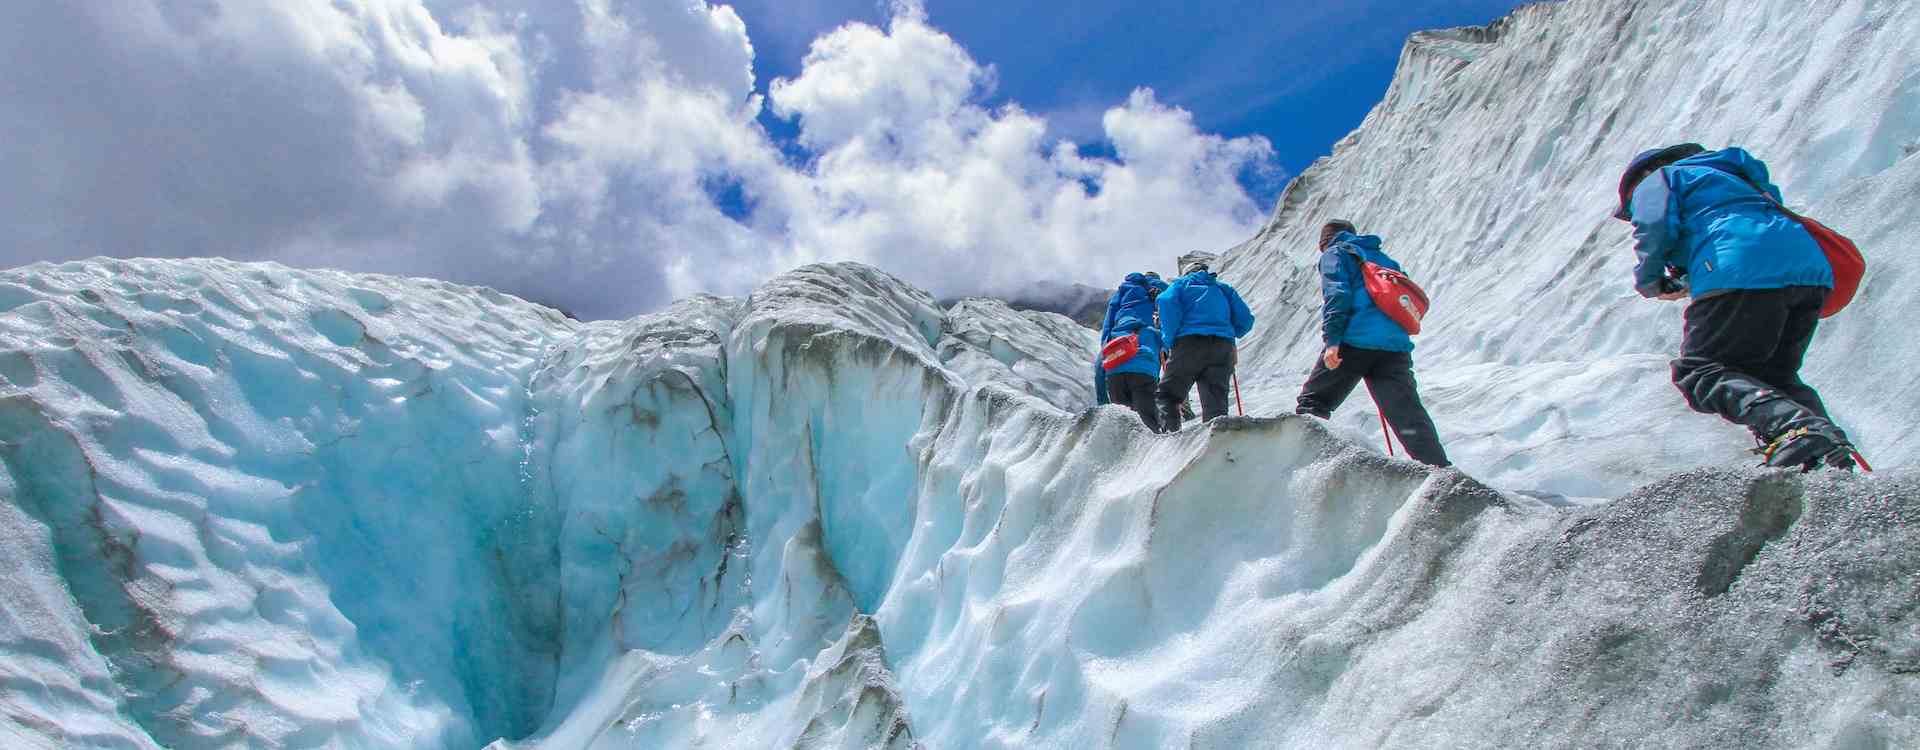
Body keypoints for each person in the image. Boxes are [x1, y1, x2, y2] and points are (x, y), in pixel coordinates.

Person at [1616, 143, 1855, 470]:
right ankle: (1829, 454)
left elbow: (1654, 226)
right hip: (1808, 269)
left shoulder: (1659, 178)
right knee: (1774, 375)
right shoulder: (1735, 176)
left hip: (1739, 264)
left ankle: (1796, 431)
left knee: (1699, 371)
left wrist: (1651, 280)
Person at [1294, 221, 1450, 467]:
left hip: (1355, 341)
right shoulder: (1383, 258)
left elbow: (1337, 295)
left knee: (1314, 403)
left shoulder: (1335, 254)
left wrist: (1333, 341)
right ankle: (1441, 471)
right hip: (1395, 347)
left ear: (1324, 242)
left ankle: (1304, 465)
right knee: (1408, 416)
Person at [1156, 260, 1254, 431]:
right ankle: (1216, 447)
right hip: (1223, 348)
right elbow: (1246, 320)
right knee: (1216, 406)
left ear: (1186, 273)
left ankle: (1170, 444)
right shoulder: (1224, 289)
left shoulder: (1180, 285)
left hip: (1189, 344)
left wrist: (1169, 339)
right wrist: (1231, 332)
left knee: (1167, 396)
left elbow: (1165, 302)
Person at [1097, 272, 1165, 405]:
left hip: (1116, 360)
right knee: (1147, 418)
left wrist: (1105, 343)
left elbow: (1109, 319)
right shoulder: (1162, 289)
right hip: (1146, 364)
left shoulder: (1124, 290)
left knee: (1123, 419)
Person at [1104, 314, 1165, 431]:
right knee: (1146, 415)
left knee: (1122, 418)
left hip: (1114, 377)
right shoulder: (1150, 331)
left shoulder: (1112, 336)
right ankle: (1151, 443)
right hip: (1143, 374)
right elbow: (1167, 342)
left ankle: (1126, 446)